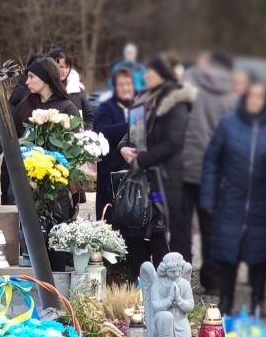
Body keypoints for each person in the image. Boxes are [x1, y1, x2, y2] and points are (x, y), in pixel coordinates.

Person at [199, 79, 266, 318]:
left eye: (260, 96)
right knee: (228, 253)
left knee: (260, 254)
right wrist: (208, 196)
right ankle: (226, 299)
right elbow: (211, 160)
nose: (255, 100)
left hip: (264, 202)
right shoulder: (229, 123)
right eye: (251, 95)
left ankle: (258, 300)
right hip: (231, 199)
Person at [118, 57, 192, 273]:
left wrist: (143, 159)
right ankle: (140, 286)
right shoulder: (144, 99)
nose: (146, 75)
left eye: (151, 71)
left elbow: (174, 142)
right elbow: (131, 134)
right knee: (134, 232)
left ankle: (167, 284)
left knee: (158, 233)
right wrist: (123, 149)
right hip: (140, 179)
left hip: (163, 179)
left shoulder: (176, 101)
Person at [179, 50, 239, 291]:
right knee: (211, 226)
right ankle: (213, 279)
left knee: (182, 225)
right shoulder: (232, 96)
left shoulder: (188, 84)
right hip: (216, 170)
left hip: (186, 165)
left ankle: (180, 276)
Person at [93, 68, 135, 215]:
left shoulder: (138, 105)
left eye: (128, 84)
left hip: (132, 171)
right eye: (121, 84)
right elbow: (100, 131)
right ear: (115, 87)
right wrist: (131, 126)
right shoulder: (106, 107)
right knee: (110, 213)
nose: (125, 88)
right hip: (110, 170)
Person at [13, 56, 80, 129]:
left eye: (31, 77)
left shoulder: (67, 108)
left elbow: (75, 133)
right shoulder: (26, 104)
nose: (27, 82)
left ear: (45, 77)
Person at [49, 47, 90, 120]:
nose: (64, 71)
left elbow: (88, 116)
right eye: (61, 67)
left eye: (67, 67)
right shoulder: (45, 87)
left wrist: (85, 127)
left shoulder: (76, 88)